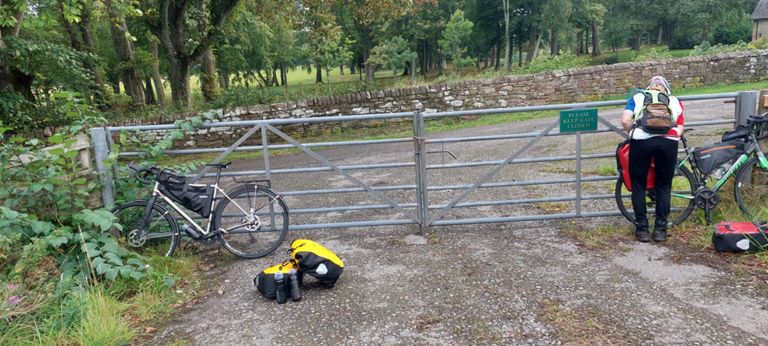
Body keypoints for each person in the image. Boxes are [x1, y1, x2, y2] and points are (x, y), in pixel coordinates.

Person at [620, 76, 685, 242]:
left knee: (638, 185)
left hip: (642, 141)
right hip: (668, 142)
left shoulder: (638, 97)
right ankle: (660, 230)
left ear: (648, 87)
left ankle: (642, 229)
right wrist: (673, 135)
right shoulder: (673, 100)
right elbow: (680, 126)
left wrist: (632, 133)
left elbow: (625, 120)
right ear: (666, 88)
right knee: (664, 186)